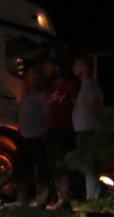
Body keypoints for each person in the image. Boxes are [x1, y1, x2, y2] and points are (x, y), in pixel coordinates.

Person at [42, 57, 77, 209]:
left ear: (56, 69)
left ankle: (66, 197)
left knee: (62, 163)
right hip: (51, 130)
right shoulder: (50, 90)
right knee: (53, 164)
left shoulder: (67, 86)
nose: (45, 71)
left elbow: (76, 103)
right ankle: (60, 196)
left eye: (47, 67)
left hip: (64, 130)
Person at [15, 67, 49, 206]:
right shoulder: (26, 96)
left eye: (31, 76)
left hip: (37, 136)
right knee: (23, 169)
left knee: (40, 170)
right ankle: (23, 198)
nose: (27, 78)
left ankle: (41, 199)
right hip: (24, 137)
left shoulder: (42, 96)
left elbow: (48, 114)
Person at [71, 55, 103, 201]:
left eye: (77, 64)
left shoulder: (89, 85)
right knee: (87, 165)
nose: (73, 67)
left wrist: (100, 125)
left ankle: (92, 197)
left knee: (88, 165)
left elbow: (95, 105)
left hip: (87, 130)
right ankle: (92, 195)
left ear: (84, 67)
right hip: (83, 130)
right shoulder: (85, 86)